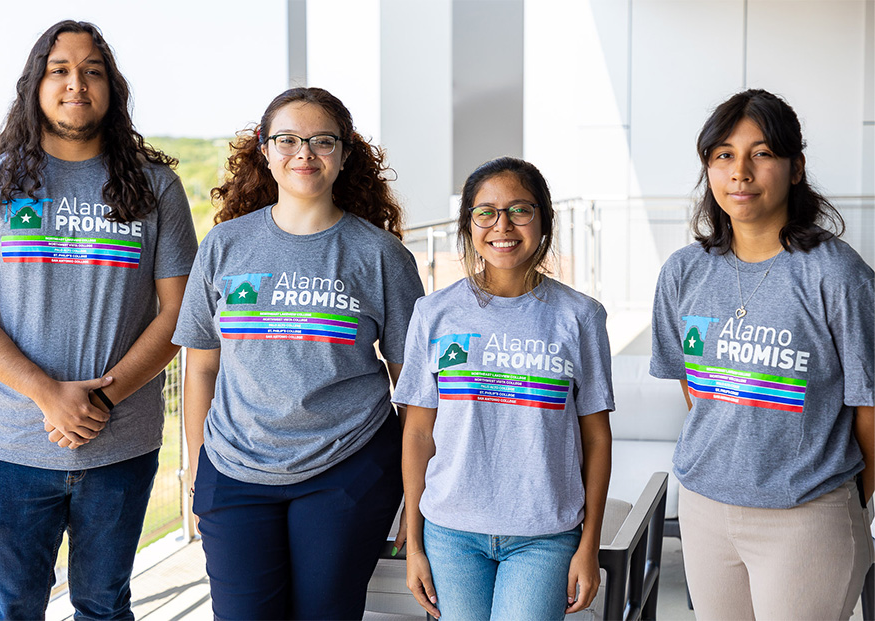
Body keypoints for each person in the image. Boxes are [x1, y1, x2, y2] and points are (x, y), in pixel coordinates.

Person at [0, 19, 198, 621]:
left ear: (112, 87)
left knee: (105, 606)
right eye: (59, 70)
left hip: (122, 446)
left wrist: (101, 401)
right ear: (35, 85)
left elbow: (179, 312)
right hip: (15, 447)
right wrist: (47, 395)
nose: (75, 83)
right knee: (11, 608)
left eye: (92, 70)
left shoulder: (155, 189)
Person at [172, 86, 425, 620]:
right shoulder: (224, 245)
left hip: (347, 467)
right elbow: (201, 367)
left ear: (346, 153)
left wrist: (415, 495)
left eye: (322, 141)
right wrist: (197, 467)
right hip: (234, 470)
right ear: (264, 150)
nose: (304, 154)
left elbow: (417, 391)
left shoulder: (381, 255)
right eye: (287, 139)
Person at [650, 89, 874, 620]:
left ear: (796, 168)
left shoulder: (836, 274)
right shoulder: (683, 273)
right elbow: (697, 388)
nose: (740, 172)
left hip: (806, 515)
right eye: (724, 154)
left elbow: (870, 405)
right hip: (704, 508)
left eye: (762, 153)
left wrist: (844, 500)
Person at [394, 156, 614, 620]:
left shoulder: (581, 317)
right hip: (451, 532)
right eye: (485, 212)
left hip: (545, 534)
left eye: (520, 209)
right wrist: (415, 543)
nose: (503, 225)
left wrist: (589, 544)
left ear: (544, 221)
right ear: (468, 225)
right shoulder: (434, 314)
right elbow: (416, 434)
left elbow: (595, 437)